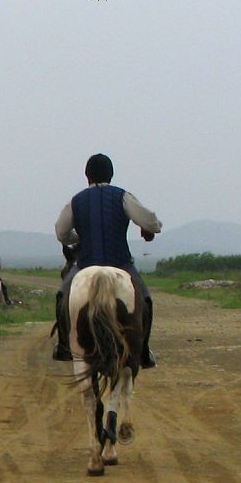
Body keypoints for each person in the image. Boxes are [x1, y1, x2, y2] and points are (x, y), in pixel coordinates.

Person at [54, 153, 162, 368]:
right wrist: (150, 228)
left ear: (87, 177)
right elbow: (151, 221)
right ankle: (143, 351)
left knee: (62, 296)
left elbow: (61, 233)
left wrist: (79, 236)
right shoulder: (123, 197)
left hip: (85, 264)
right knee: (146, 299)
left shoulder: (76, 201)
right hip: (120, 263)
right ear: (111, 176)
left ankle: (64, 345)